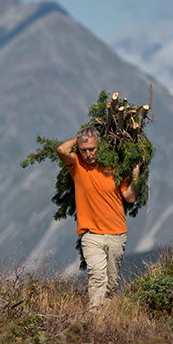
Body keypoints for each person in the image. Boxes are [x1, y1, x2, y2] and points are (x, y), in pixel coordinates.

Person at [56, 127, 141, 308]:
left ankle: (106, 319)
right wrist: (80, 138)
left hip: (117, 233)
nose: (88, 154)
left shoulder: (115, 167)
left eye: (92, 149)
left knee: (111, 283)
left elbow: (130, 198)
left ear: (100, 146)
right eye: (84, 150)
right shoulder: (77, 166)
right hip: (91, 234)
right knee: (97, 277)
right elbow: (61, 150)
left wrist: (135, 178)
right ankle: (94, 319)